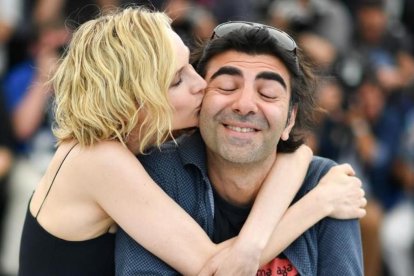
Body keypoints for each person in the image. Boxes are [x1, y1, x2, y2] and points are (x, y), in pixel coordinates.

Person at [19, 8, 365, 275]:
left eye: (190, 67)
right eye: (176, 80)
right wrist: (316, 206)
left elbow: (292, 155)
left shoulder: (117, 146)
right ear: (134, 97)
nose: (200, 84)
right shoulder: (98, 160)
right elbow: (212, 268)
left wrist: (300, 158)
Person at [116, 21, 365, 275]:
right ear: (200, 99)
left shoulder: (325, 185)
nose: (245, 105)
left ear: (290, 119)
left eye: (267, 93)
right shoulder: (156, 174)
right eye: (226, 87)